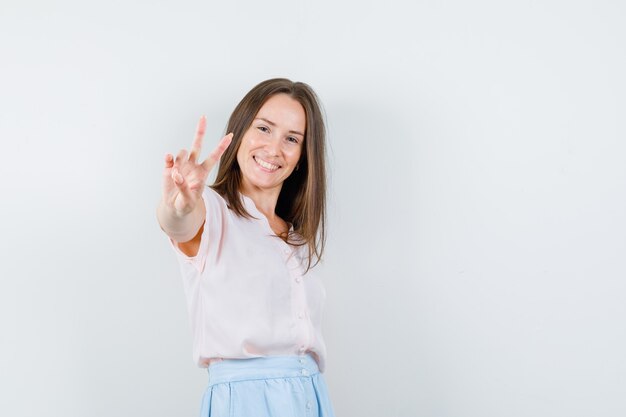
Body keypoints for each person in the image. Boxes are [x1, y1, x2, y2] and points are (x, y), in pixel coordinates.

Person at [157, 78, 336, 417]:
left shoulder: (297, 238)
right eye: (264, 129)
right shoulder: (211, 210)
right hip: (247, 403)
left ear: (301, 157)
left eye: (292, 139)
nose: (274, 148)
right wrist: (179, 207)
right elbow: (177, 222)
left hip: (311, 397)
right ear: (239, 132)